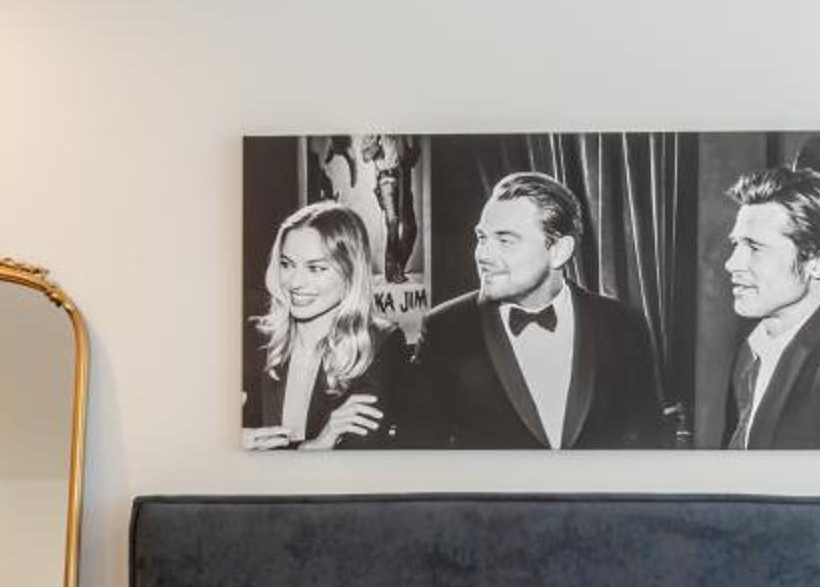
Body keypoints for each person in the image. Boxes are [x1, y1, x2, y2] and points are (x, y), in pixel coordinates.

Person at [406, 170, 665, 448]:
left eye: (505, 240)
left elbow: (648, 442)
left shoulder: (623, 326)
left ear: (559, 251)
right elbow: (419, 448)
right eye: (482, 238)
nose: (482, 255)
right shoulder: (444, 329)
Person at [719, 165, 820, 449]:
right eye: (736, 245)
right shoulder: (750, 351)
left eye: (754, 247)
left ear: (818, 262)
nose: (732, 264)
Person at [241, 201, 402, 449]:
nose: (295, 282)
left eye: (315, 268)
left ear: (350, 272)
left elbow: (358, 454)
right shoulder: (253, 338)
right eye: (287, 264)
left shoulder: (379, 344)